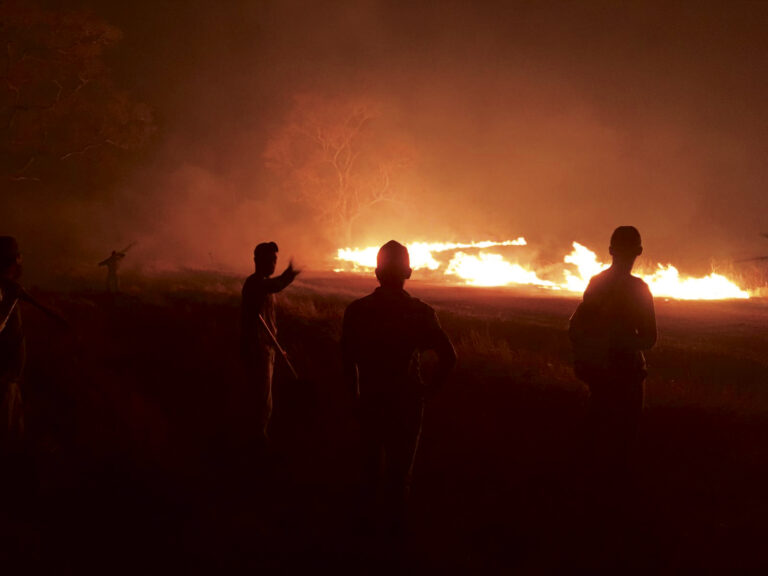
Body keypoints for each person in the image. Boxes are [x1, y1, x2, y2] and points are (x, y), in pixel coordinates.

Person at [342, 240, 456, 543]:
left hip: (370, 399)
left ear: (376, 272)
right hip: (406, 404)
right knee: (398, 476)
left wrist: (354, 397)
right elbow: (449, 357)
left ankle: (361, 539)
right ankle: (393, 542)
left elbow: (346, 361)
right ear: (409, 272)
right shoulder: (419, 313)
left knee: (368, 471)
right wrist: (428, 392)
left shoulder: (357, 311)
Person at [569, 226, 657, 477]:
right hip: (628, 375)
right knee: (623, 443)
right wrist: (622, 341)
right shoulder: (639, 289)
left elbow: (575, 327)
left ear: (610, 251)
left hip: (599, 372)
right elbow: (650, 339)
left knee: (595, 434)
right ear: (639, 252)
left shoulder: (597, 284)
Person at [241, 242, 300, 444]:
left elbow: (269, 322)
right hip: (257, 349)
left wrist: (278, 348)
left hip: (267, 348)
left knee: (265, 397)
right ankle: (257, 440)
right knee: (261, 399)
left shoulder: (262, 284)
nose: (273, 262)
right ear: (258, 260)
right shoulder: (255, 283)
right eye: (270, 258)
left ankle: (257, 435)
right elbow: (276, 285)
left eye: (275, 259)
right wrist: (290, 273)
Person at [0, 237, 26, 454]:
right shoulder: (4, 290)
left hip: (11, 380)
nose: (22, 259)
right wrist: (10, 301)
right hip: (3, 381)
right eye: (19, 255)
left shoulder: (9, 288)